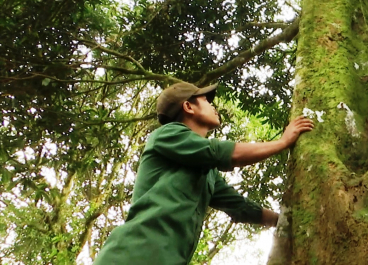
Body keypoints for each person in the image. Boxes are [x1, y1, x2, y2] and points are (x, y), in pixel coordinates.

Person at [94, 81, 314, 265]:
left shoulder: (205, 171)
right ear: (189, 107)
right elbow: (225, 153)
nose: (213, 105)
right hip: (133, 255)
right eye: (206, 101)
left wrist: (285, 220)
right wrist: (283, 142)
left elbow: (238, 206)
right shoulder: (167, 135)